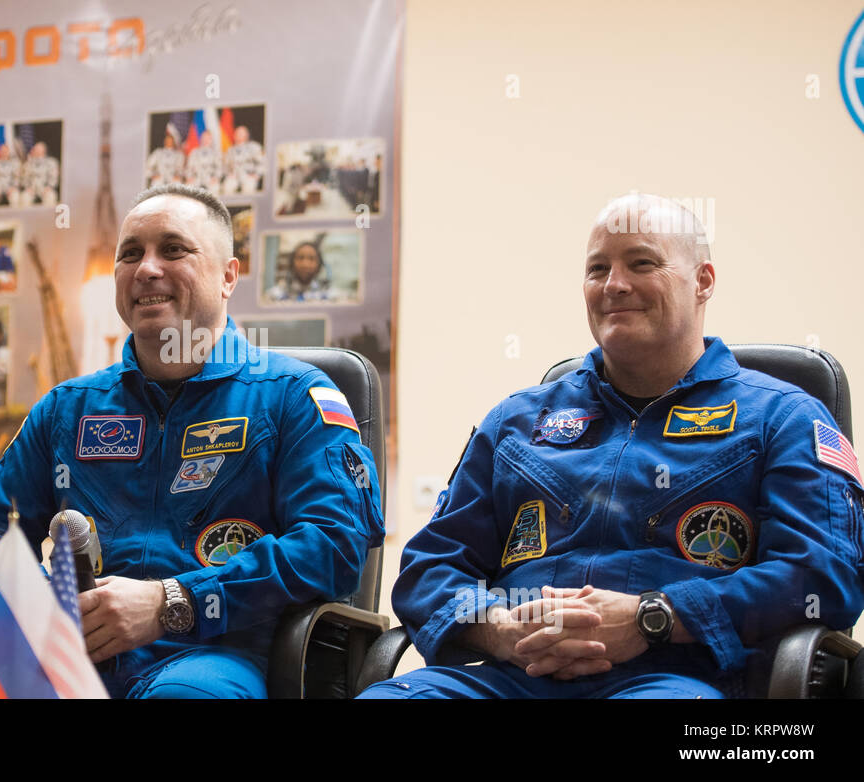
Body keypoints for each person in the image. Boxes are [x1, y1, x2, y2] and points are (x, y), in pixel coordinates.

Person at [360, 194, 864, 699]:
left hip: (678, 679)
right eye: (597, 269)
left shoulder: (782, 417)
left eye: (641, 263)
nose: (614, 285)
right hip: (511, 677)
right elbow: (430, 566)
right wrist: (499, 629)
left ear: (703, 281)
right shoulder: (516, 421)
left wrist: (655, 616)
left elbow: (822, 575)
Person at [0, 183, 384, 698]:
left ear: (228, 276)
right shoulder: (67, 409)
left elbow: (332, 545)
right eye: (129, 254)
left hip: (214, 654)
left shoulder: (294, 396)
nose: (146, 268)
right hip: (65, 655)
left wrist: (173, 602)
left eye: (173, 249)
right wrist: (39, 603)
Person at [268, 241, 336, 302]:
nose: (305, 264)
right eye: (300, 258)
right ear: (292, 263)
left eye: (311, 259)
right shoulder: (275, 295)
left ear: (319, 264)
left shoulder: (331, 296)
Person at [222, 126, 264, 195]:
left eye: (241, 133)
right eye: (237, 133)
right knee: (227, 187)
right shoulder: (230, 150)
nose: (238, 135)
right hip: (235, 176)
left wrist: (257, 174)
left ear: (246, 135)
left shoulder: (254, 147)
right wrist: (229, 174)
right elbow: (225, 166)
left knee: (248, 188)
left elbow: (262, 163)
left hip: (248, 175)